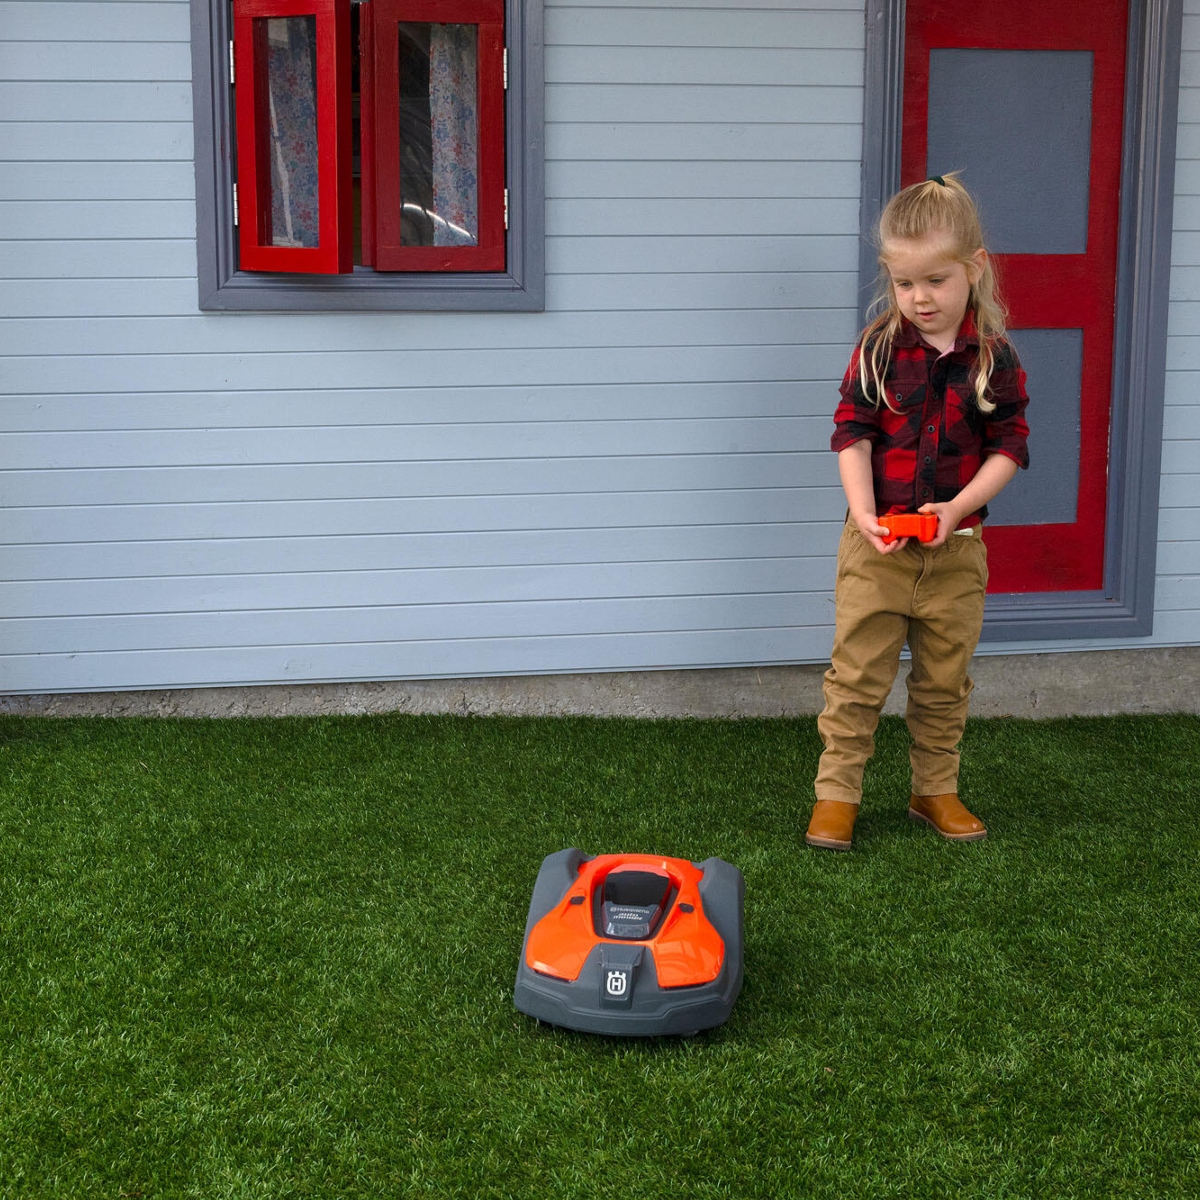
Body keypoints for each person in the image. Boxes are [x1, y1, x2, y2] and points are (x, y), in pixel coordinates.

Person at [806, 173, 1029, 851]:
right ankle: (836, 796)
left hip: (955, 553)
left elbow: (1010, 447)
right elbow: (851, 433)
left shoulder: (995, 358)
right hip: (876, 550)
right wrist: (863, 514)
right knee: (856, 679)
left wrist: (958, 507)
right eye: (904, 283)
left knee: (943, 682)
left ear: (974, 268)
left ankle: (934, 790)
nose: (920, 297)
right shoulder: (877, 348)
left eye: (935, 280)